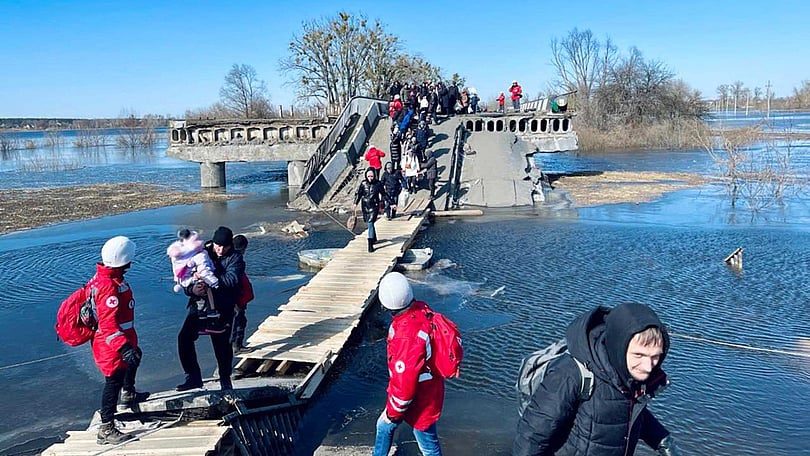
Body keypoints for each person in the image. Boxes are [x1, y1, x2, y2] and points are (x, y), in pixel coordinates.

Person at [513, 303, 679, 456]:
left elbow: (626, 411)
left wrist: (663, 441)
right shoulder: (571, 374)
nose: (648, 366)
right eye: (639, 355)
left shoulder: (630, 376)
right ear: (618, 347)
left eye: (655, 356)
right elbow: (532, 436)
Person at [373, 272, 445, 456]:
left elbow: (405, 383)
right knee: (421, 435)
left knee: (425, 444)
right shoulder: (421, 310)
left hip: (420, 397)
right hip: (430, 388)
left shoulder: (406, 335)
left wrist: (394, 412)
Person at [92, 236, 149, 444]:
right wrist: (123, 347)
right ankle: (106, 428)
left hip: (120, 339)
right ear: (124, 260)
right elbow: (108, 325)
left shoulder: (111, 278)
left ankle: (129, 393)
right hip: (111, 345)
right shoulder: (108, 286)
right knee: (113, 381)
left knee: (136, 357)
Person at [177, 226, 245, 392]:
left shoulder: (235, 259)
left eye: (224, 247)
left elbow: (232, 280)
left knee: (221, 346)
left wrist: (208, 280)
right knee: (184, 338)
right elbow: (185, 276)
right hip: (200, 305)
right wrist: (192, 289)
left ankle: (225, 380)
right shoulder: (200, 252)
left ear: (230, 245)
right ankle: (193, 376)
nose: (220, 250)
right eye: (217, 245)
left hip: (223, 308)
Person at [166, 228, 223, 334]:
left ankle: (201, 325)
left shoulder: (177, 255)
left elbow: (178, 271)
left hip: (184, 280)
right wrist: (215, 283)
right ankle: (212, 318)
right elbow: (204, 271)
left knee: (199, 300)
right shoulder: (199, 255)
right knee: (208, 293)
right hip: (197, 281)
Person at [230, 234, 254, 354]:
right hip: (237, 298)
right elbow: (235, 280)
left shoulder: (228, 258)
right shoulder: (237, 260)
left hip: (235, 297)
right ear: (244, 247)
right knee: (239, 321)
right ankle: (237, 346)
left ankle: (236, 345)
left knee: (238, 320)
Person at [354, 167, 385, 253]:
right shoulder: (363, 183)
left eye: (372, 176)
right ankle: (374, 238)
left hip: (374, 206)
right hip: (365, 206)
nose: (370, 178)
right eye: (369, 176)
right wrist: (355, 203)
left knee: (370, 223)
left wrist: (392, 203)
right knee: (369, 223)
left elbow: (384, 194)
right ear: (366, 176)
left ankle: (370, 244)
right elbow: (359, 194)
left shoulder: (378, 184)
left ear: (374, 175)